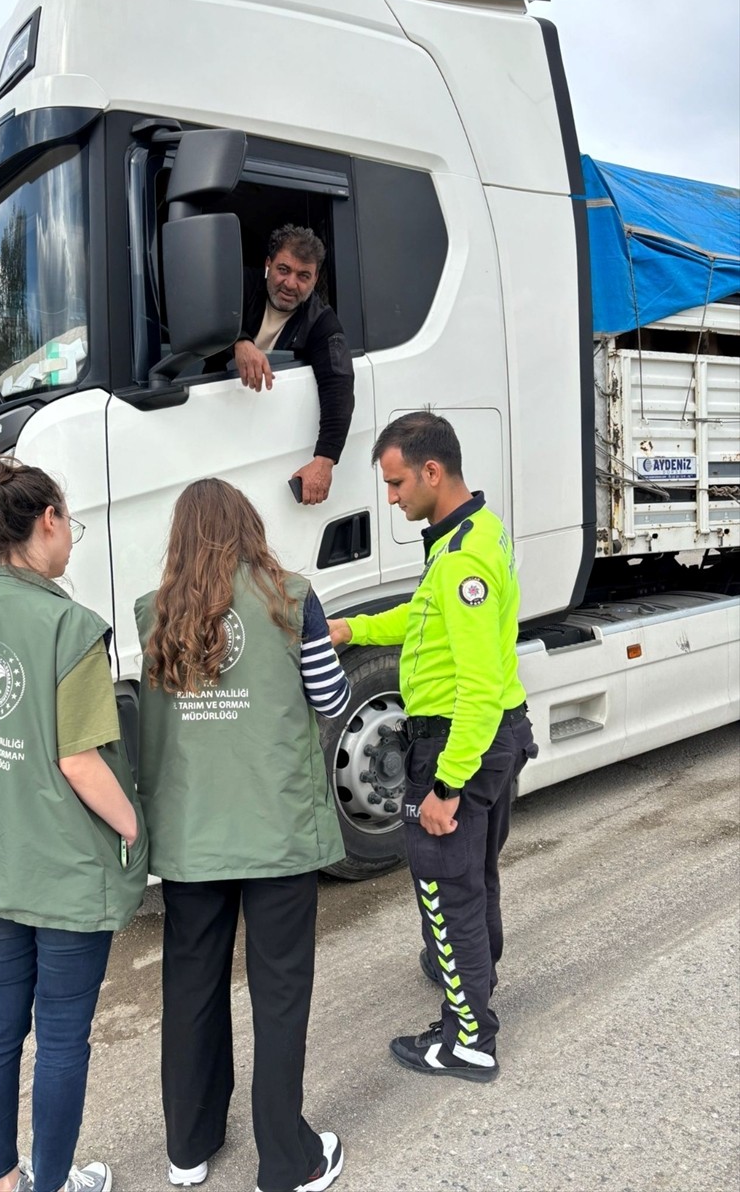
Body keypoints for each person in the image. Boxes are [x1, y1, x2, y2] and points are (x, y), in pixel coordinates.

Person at [0, 456, 148, 1192]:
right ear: (48, 521)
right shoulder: (70, 626)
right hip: (64, 868)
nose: (70, 536)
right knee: (60, 1038)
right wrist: (133, 828)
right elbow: (80, 761)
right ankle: (51, 1185)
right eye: (68, 521)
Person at [134, 479, 350, 1192]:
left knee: (191, 988)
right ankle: (287, 1160)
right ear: (249, 528)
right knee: (279, 993)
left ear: (180, 536)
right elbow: (331, 699)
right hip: (275, 828)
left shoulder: (155, 611)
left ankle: (188, 1148)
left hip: (193, 835)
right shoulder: (291, 598)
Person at [328, 412, 537, 1082]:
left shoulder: (463, 559)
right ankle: (474, 979)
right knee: (473, 877)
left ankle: (468, 1040)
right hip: (489, 734)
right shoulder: (466, 535)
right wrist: (354, 630)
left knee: (448, 891)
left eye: (396, 484)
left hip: (458, 739)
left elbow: (477, 686)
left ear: (432, 471)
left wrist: (446, 787)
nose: (391, 497)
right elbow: (425, 618)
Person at [206, 224, 355, 506]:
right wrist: (239, 341)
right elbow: (203, 318)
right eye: (283, 270)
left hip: (267, 435)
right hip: (210, 418)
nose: (290, 284)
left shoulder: (321, 321)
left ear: (315, 279)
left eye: (303, 276)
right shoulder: (240, 286)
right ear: (268, 264)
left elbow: (338, 385)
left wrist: (324, 461)